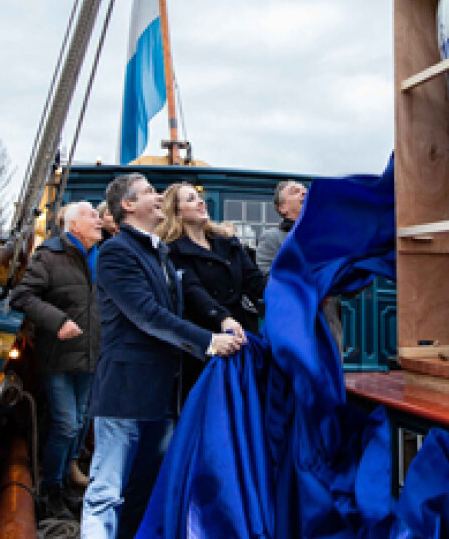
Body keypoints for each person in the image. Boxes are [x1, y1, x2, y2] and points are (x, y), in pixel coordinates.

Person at [81, 173, 246, 539]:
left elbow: (183, 307)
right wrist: (209, 341)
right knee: (106, 490)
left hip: (160, 392)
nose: (159, 198)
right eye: (150, 193)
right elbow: (146, 314)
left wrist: (223, 321)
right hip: (124, 393)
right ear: (127, 205)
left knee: (146, 487)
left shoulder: (160, 254)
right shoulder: (116, 252)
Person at [8, 201, 104, 520]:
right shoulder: (49, 256)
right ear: (73, 224)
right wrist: (58, 321)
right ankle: (50, 489)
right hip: (59, 356)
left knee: (78, 424)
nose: (98, 219)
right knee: (65, 424)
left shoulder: (100, 257)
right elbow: (22, 297)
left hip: (90, 356)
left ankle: (62, 487)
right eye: (92, 215)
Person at [158, 183, 265, 334]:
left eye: (199, 197)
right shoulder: (173, 251)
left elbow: (254, 280)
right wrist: (223, 318)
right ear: (177, 214)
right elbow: (192, 291)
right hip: (203, 336)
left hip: (240, 330)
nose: (201, 202)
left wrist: (283, 293)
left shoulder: (228, 242)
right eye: (191, 199)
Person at [255, 180, 344, 348]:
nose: (303, 193)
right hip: (293, 327)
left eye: (305, 190)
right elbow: (265, 282)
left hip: (329, 326)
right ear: (282, 208)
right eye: (295, 191)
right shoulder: (272, 238)